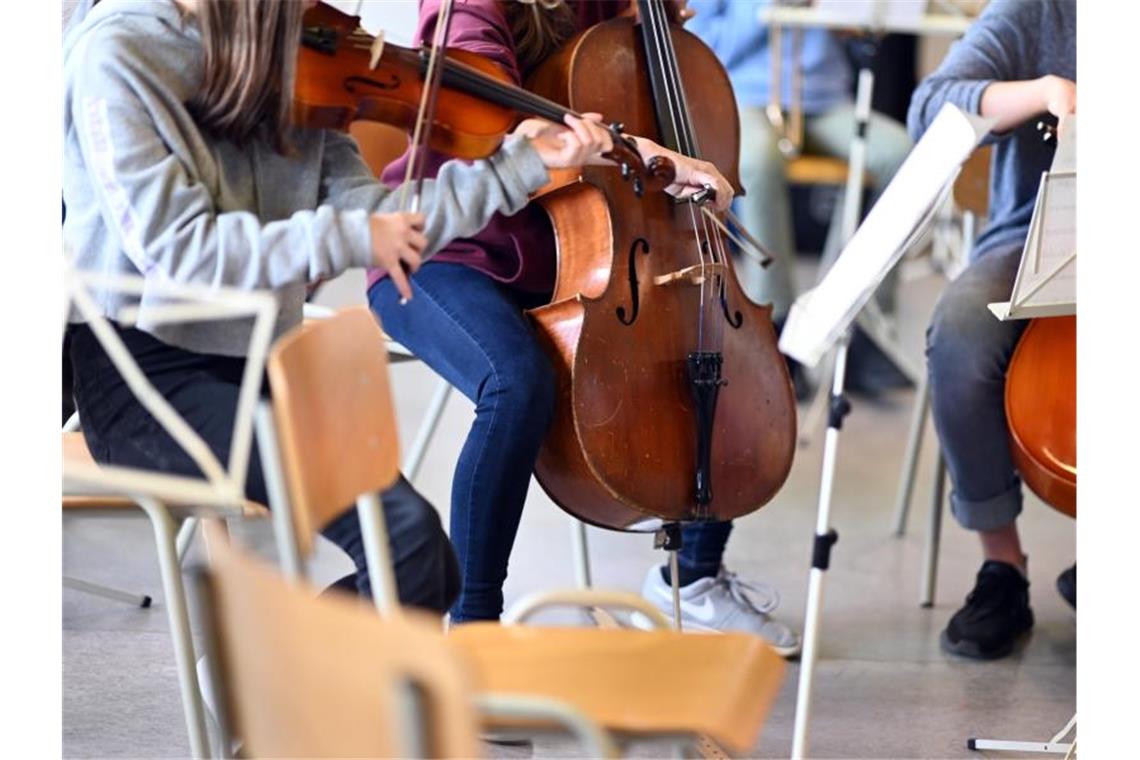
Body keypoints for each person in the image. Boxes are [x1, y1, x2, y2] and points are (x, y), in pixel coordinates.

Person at [63, 0, 616, 612]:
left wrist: (521, 167)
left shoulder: (291, 53)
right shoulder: (118, 52)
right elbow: (179, 249)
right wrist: (353, 235)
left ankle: (284, 678)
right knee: (403, 545)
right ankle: (284, 682)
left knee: (428, 562)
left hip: (259, 364)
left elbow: (377, 214)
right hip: (141, 376)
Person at [368, 0, 778, 641]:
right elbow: (498, 128)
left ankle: (694, 579)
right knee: (515, 382)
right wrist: (654, 156)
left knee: (718, 360)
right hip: (445, 249)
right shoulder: (470, 9)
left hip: (579, 259)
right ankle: (475, 631)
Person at [908, 0, 1076, 659]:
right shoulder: (1037, 12)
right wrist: (1040, 92)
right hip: (1037, 238)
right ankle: (1002, 567)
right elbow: (932, 107)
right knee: (959, 334)